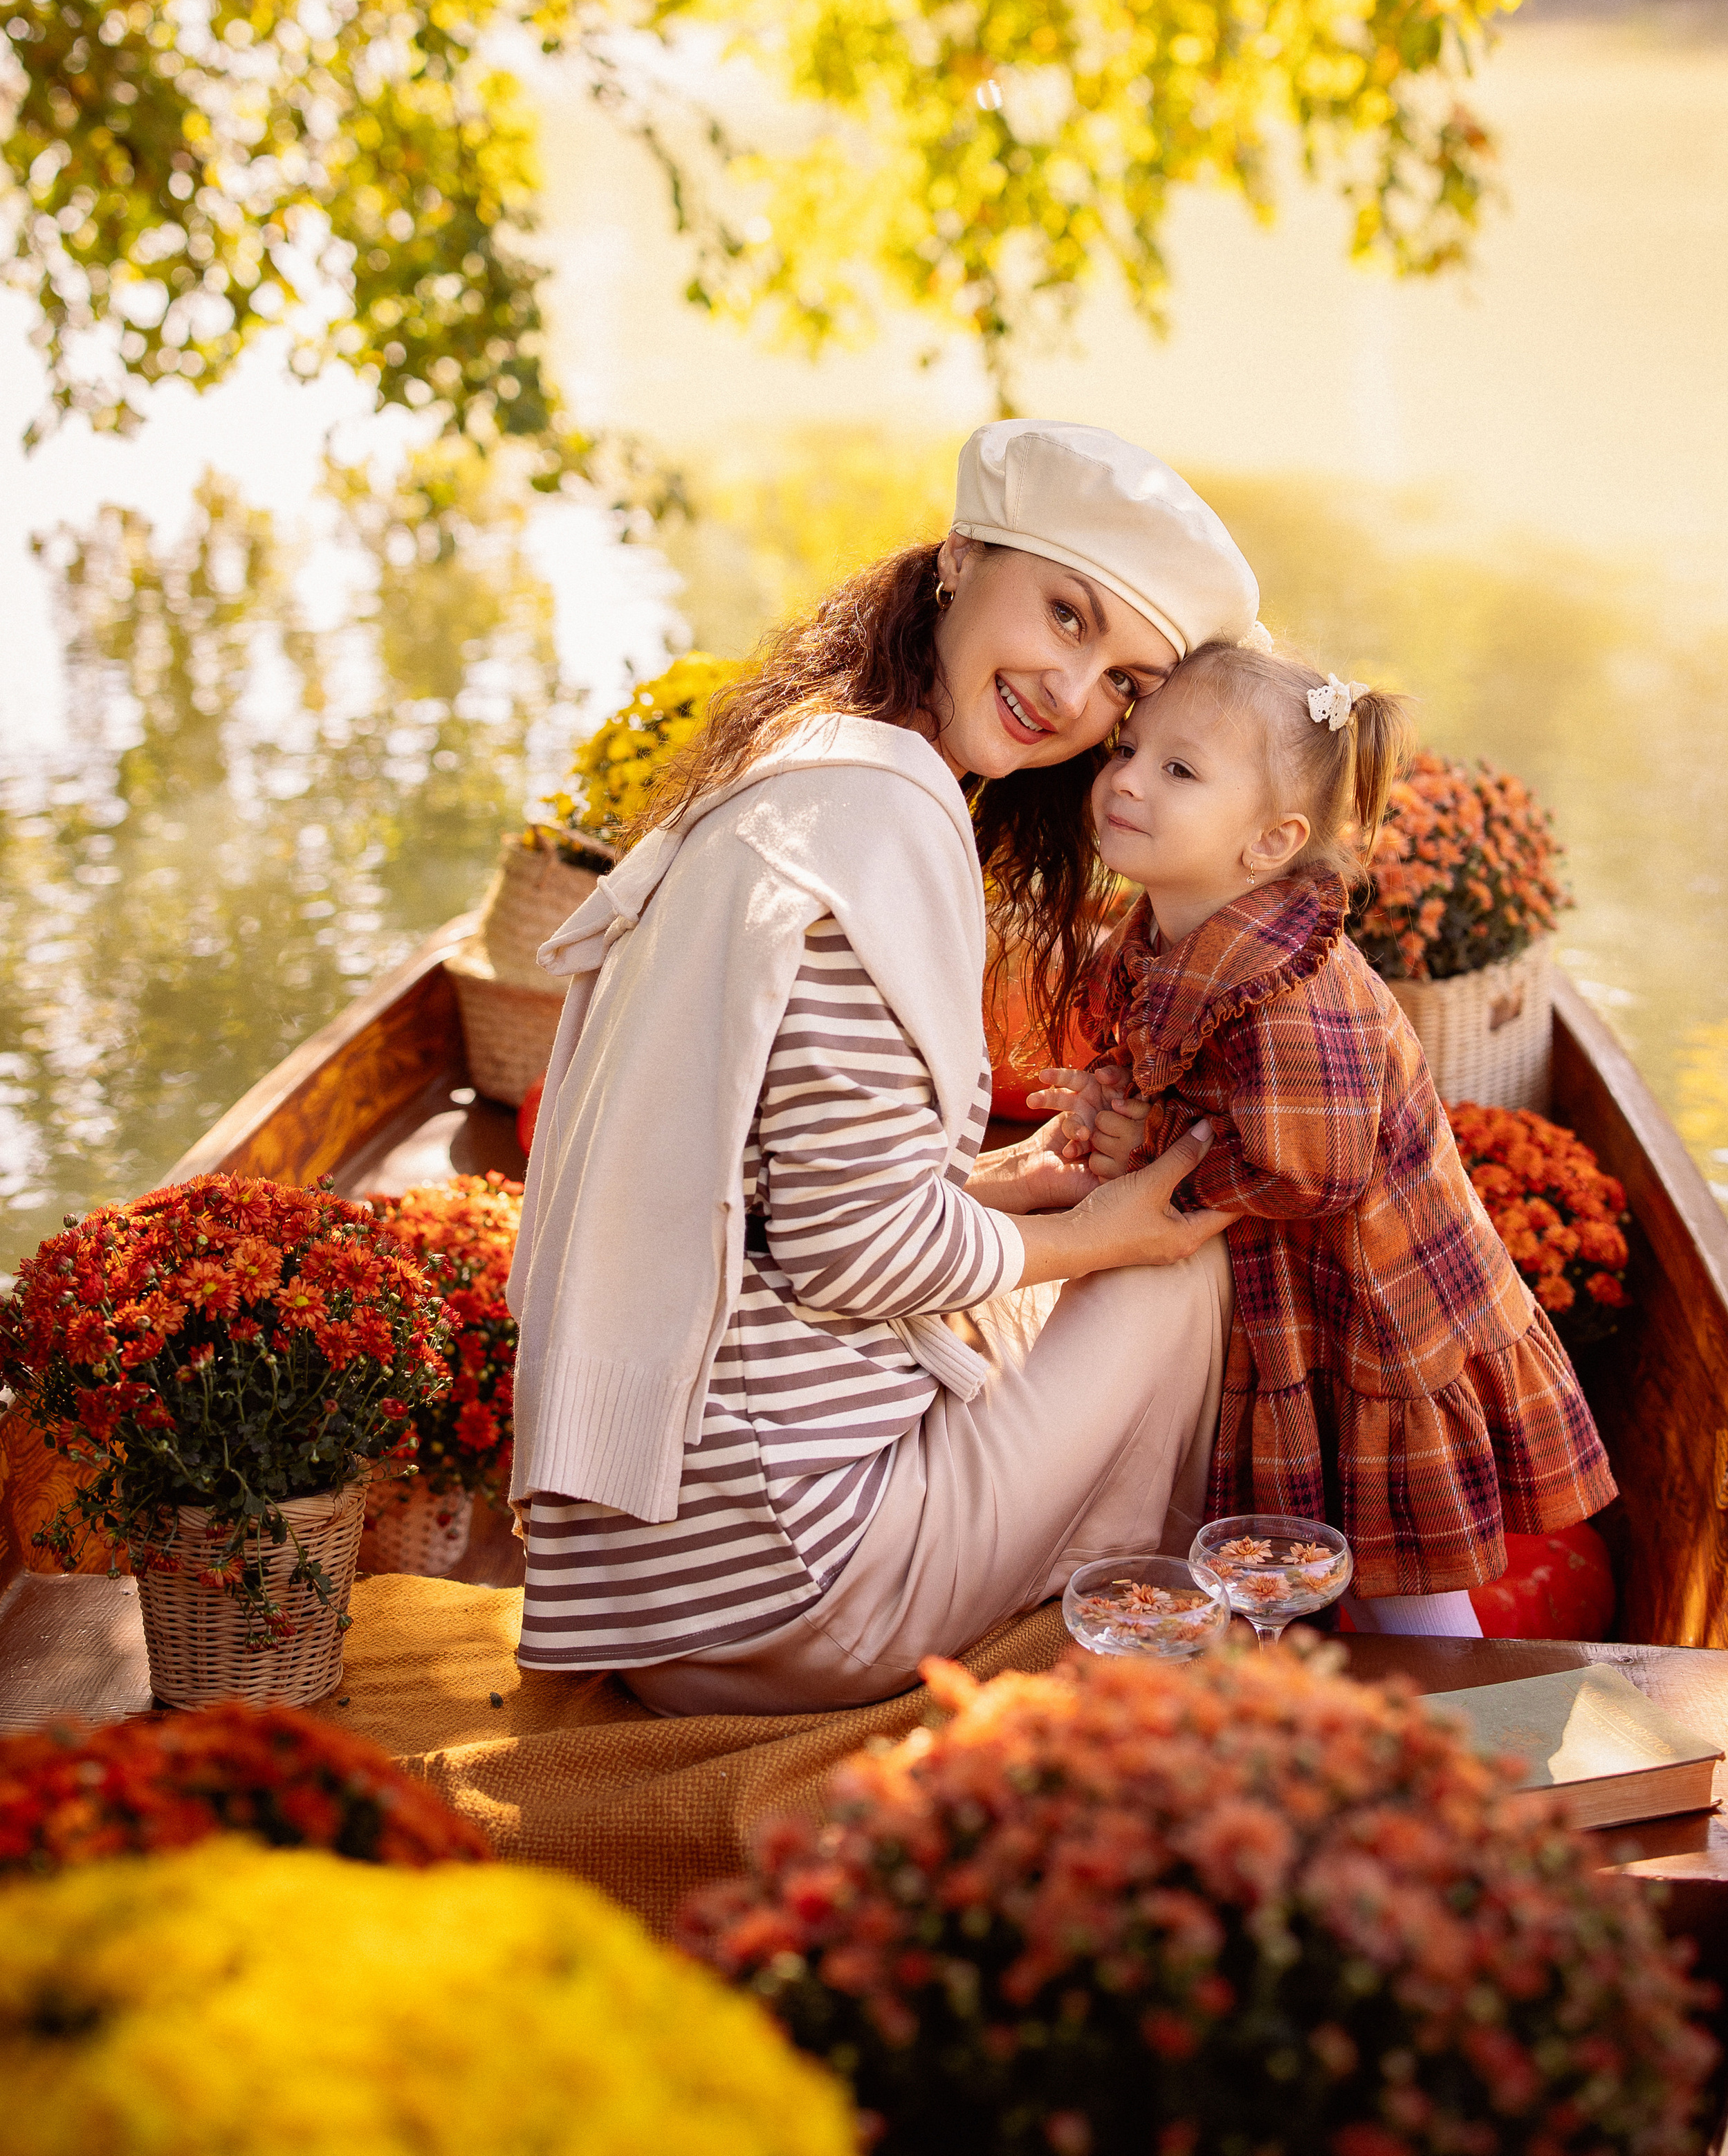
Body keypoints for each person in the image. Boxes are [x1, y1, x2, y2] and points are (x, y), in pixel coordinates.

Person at [505, 419, 1260, 1712]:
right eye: (1068, 616)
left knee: (1075, 1256)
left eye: (1127, 685)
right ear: (961, 557)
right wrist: (1106, 1241)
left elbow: (773, 1206)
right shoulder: (887, 817)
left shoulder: (799, 759)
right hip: (788, 1592)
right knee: (1175, 1275)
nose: (1077, 700)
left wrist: (1007, 1183)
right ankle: (1112, 1648)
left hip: (658, 1574)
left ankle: (1078, 1599)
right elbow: (853, 1260)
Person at [1033, 639, 1617, 1636]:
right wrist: (1113, 1097)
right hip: (1289, 1294)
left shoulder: (1292, 993)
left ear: (1270, 842)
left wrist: (1160, 1135)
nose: (1125, 780)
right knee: (1299, 1536)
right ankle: (1298, 1673)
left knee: (1407, 1578)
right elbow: (1155, 1050)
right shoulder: (1173, 924)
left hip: (1381, 1306)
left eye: (1177, 770)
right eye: (1127, 750)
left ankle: (1460, 1725)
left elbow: (1316, 1169)